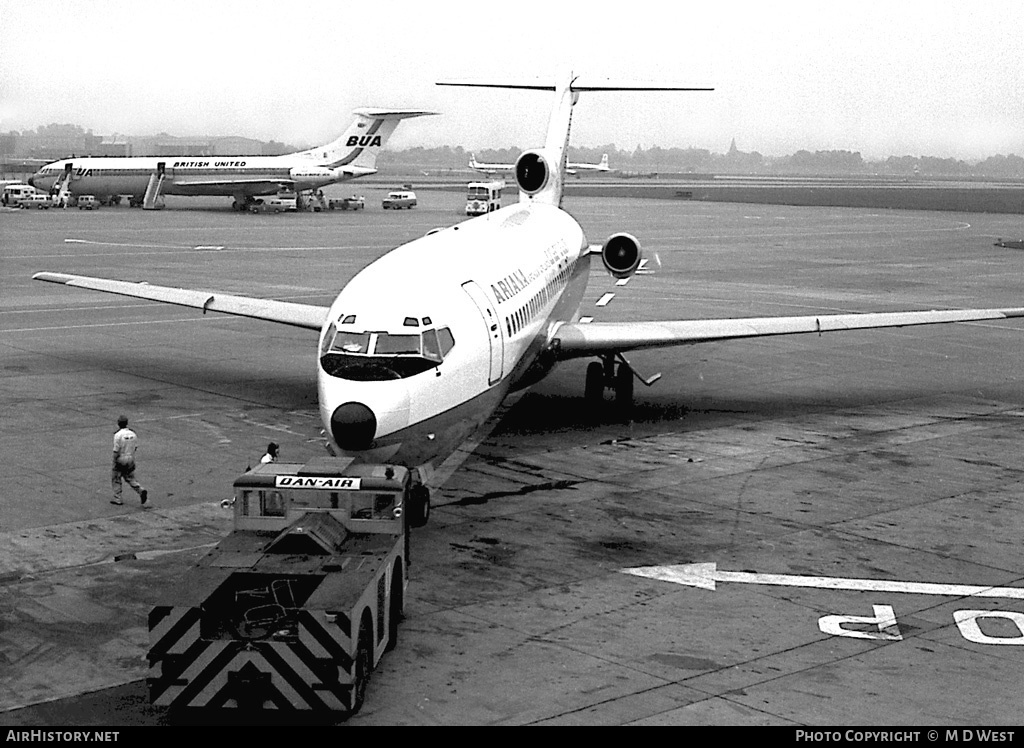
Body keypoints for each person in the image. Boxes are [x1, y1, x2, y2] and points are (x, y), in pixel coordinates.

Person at [111, 415, 148, 506]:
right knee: (129, 477)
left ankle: (118, 498)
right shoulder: (133, 434)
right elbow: (135, 447)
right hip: (130, 457)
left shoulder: (118, 435)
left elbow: (116, 450)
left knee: (116, 478)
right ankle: (140, 490)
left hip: (121, 457)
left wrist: (114, 461)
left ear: (118, 424)